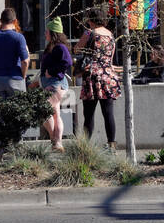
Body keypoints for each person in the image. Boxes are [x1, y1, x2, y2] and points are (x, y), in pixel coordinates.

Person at [75, 10, 121, 148]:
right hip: (108, 76)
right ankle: (111, 144)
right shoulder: (111, 35)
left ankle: (85, 147)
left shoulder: (90, 33)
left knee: (89, 114)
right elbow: (110, 59)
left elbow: (77, 49)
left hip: (92, 75)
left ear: (91, 20)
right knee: (108, 113)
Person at [40, 18, 74, 151]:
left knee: (45, 109)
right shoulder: (52, 46)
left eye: (47, 31)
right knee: (55, 113)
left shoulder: (60, 47)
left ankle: (55, 140)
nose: (45, 34)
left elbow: (68, 62)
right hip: (51, 83)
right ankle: (56, 142)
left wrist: (51, 71)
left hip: (56, 84)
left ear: (53, 33)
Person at [0, 7, 30, 97]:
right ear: (15, 21)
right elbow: (25, 61)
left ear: (1, 21)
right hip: (15, 78)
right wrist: (23, 75)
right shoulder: (19, 37)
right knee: (18, 109)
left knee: (0, 109)